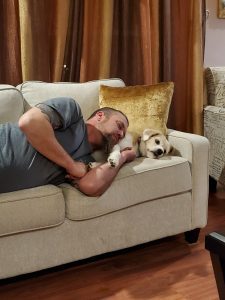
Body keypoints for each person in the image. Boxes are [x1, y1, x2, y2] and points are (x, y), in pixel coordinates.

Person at [0, 97, 136, 196]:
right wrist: (71, 165)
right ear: (100, 116)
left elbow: (90, 187)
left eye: (123, 135)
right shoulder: (73, 113)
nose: (121, 133)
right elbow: (29, 122)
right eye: (119, 126)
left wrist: (122, 157)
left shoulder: (87, 161)